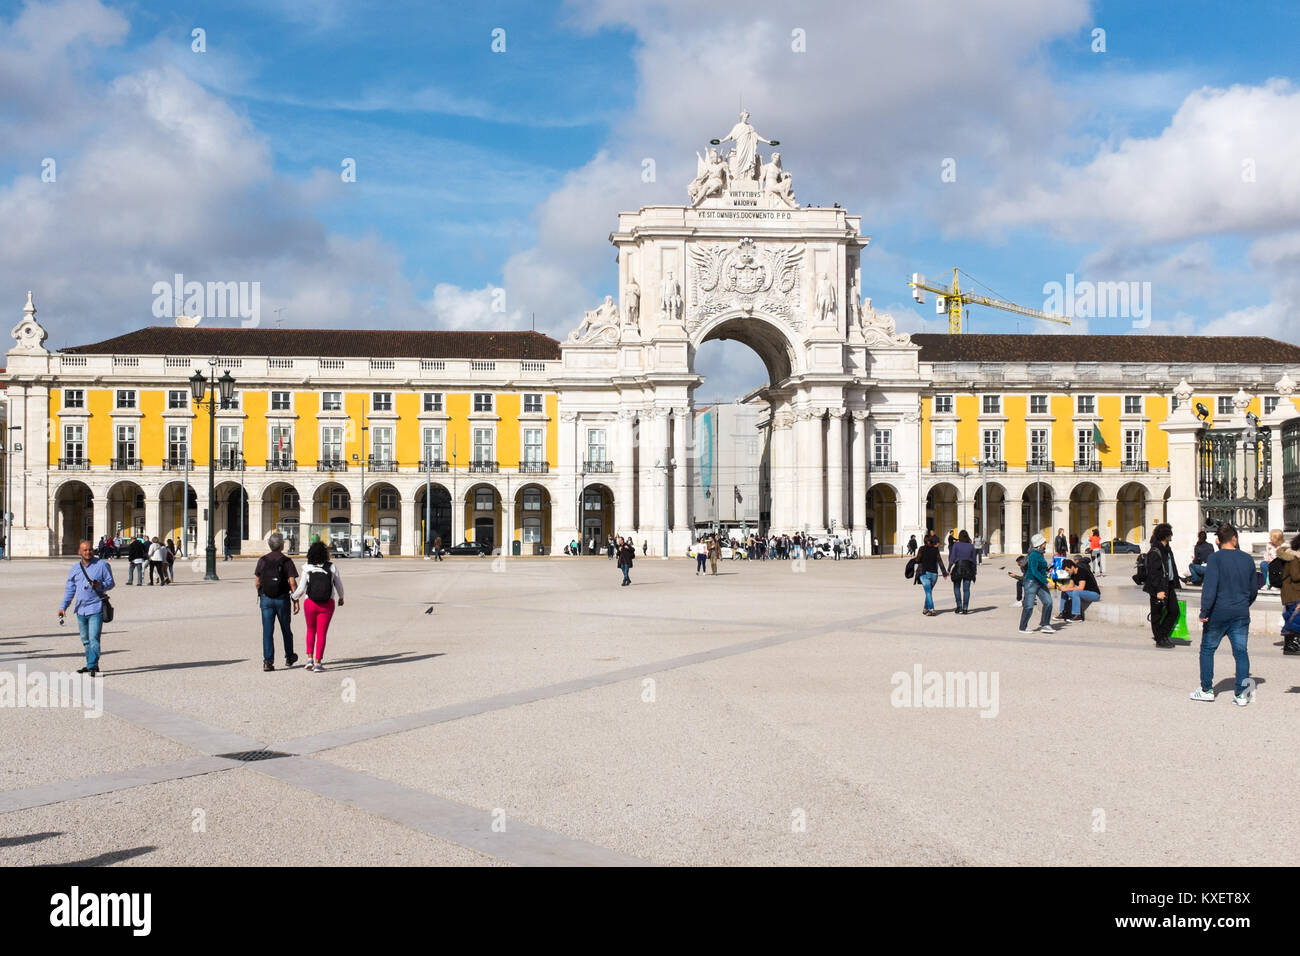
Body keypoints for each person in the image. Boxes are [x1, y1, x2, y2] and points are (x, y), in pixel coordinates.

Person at [1191, 524, 1258, 705]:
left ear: (1218, 541)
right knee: (1241, 652)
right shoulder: (1247, 559)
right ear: (1235, 538)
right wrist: (1244, 604)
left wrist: (1204, 610)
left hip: (1218, 612)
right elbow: (1253, 589)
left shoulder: (1215, 558)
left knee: (1207, 649)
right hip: (1240, 612)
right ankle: (1242, 694)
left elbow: (1210, 587)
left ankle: (1206, 690)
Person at [57, 539, 115, 677]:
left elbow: (111, 583)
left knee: (94, 638)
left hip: (96, 607)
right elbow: (70, 589)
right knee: (85, 639)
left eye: (90, 549)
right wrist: (63, 606)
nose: (88, 552)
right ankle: (90, 664)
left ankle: (93, 666)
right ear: (79, 552)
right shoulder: (75, 569)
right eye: (85, 550)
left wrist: (100, 584)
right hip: (80, 609)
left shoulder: (102, 565)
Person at [291, 540, 344, 672]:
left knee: (310, 630)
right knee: (321, 633)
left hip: (310, 603)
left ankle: (309, 660)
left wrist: (293, 597)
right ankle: (318, 663)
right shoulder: (332, 567)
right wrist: (341, 597)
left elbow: (301, 588)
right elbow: (339, 585)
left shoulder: (307, 567)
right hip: (327, 604)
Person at [254, 532, 299, 672]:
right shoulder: (286, 561)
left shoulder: (262, 560)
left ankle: (268, 662)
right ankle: (289, 656)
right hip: (282, 599)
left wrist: (261, 592)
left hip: (266, 599)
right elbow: (292, 582)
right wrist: (296, 600)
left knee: (267, 631)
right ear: (281, 545)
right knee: (286, 629)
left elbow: (257, 581)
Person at [1143, 522, 1181, 648]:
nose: (1171, 535)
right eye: (1170, 533)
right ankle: (1160, 639)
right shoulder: (1155, 551)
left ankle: (1162, 635)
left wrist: (1176, 583)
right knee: (1157, 614)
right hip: (1157, 588)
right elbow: (1153, 574)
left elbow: (1171, 568)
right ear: (1165, 535)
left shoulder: (1167, 549)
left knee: (1174, 611)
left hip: (1168, 585)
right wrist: (1159, 590)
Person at [1017, 534, 1055, 634]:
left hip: (1040, 582)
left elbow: (1040, 569)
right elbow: (1034, 571)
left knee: (1048, 602)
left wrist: (1049, 568)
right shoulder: (1033, 554)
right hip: (1031, 583)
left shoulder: (1040, 553)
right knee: (1029, 606)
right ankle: (1023, 627)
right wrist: (1046, 582)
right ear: (1040, 543)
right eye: (1044, 542)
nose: (1046, 543)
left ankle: (1045, 624)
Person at [1057, 557, 1101, 621]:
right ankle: (1062, 613)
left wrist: (1066, 589)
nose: (1067, 572)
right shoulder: (1072, 573)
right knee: (1064, 592)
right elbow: (1070, 586)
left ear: (1072, 567)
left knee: (1076, 592)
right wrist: (1062, 587)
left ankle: (1078, 616)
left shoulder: (1081, 571)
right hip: (1084, 593)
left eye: (1067, 570)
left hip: (1094, 594)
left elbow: (1081, 587)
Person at [1278, 533, 1300, 656]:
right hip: (1293, 593)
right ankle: (1291, 645)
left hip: (1294, 593)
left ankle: (1291, 645)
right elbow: (1295, 576)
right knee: (1294, 619)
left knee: (1292, 618)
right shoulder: (1294, 558)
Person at [916, 534, 947, 616]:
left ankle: (931, 609)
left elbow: (918, 560)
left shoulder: (921, 549)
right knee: (928, 592)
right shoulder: (935, 549)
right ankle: (925, 608)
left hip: (924, 573)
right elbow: (940, 561)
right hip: (934, 574)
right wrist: (944, 573)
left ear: (925, 541)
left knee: (928, 592)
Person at [948, 530, 977, 614]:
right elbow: (974, 561)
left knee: (956, 587)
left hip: (958, 567)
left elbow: (952, 558)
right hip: (968, 568)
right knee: (966, 589)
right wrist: (974, 571)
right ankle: (965, 608)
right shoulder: (971, 546)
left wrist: (949, 568)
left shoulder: (956, 545)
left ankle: (959, 605)